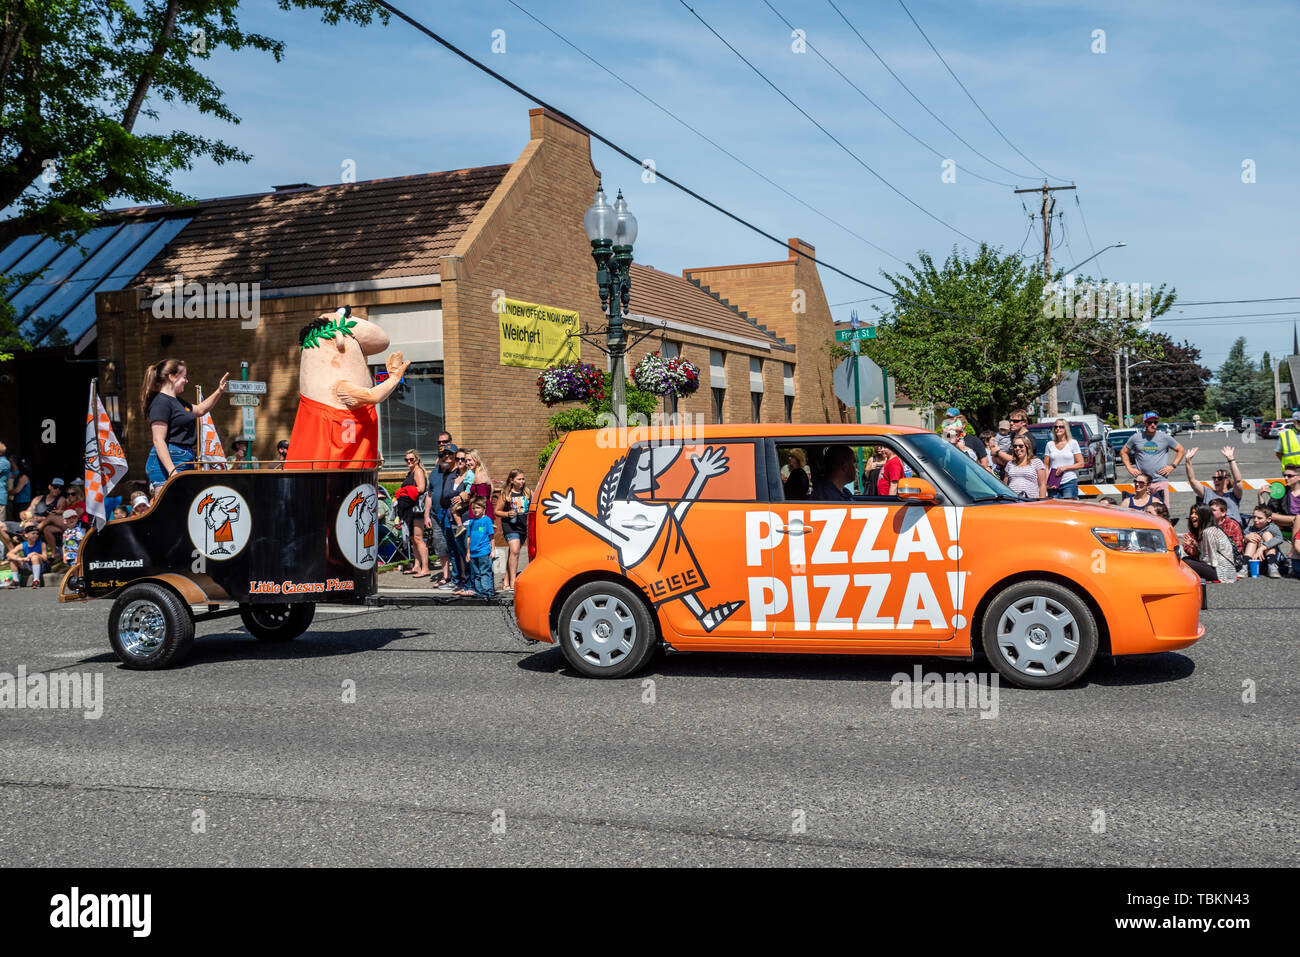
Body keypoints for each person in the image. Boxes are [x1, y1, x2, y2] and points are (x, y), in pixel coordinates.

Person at [141, 358, 230, 486]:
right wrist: (173, 472)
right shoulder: (160, 402)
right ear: (172, 377)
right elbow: (158, 440)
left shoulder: (178, 402)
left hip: (184, 459)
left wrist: (219, 391)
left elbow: (200, 409)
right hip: (169, 462)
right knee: (169, 505)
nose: (186, 381)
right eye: (184, 377)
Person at [1121, 411, 1184, 500]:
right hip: (1142, 483)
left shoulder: (1164, 437)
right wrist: (1129, 468)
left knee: (1161, 511)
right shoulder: (1136, 437)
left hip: (1160, 481)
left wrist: (1172, 466)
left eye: (1155, 422)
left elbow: (1180, 450)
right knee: (1142, 511)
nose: (1153, 425)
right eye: (1150, 422)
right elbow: (1123, 452)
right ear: (1144, 423)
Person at [1184, 446, 1244, 524]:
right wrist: (1188, 460)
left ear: (1227, 480)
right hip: (1211, 527)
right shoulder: (1207, 492)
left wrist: (1231, 459)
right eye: (1214, 478)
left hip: (1231, 528)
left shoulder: (1233, 494)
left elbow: (1238, 481)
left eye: (1219, 478)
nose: (1216, 480)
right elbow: (1192, 480)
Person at [395, 450, 430, 578]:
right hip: (409, 509)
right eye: (407, 460)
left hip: (418, 509)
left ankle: (425, 568)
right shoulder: (410, 472)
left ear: (417, 460)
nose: (409, 462)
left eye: (412, 459)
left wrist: (404, 490)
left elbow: (421, 488)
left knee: (418, 538)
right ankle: (416, 566)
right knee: (413, 538)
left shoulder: (418, 471)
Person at [1180, 504, 1236, 583]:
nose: (1192, 516)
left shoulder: (1208, 532)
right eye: (1191, 513)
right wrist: (1195, 546)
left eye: (1196, 513)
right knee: (1186, 560)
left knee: (1185, 562)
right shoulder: (1206, 531)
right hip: (1218, 568)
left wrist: (1197, 562)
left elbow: (1211, 560)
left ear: (1204, 516)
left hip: (1222, 571)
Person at [498, 469, 531, 591]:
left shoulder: (527, 492)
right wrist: (507, 514)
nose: (522, 481)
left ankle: (506, 581)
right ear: (512, 480)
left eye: (523, 479)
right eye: (519, 479)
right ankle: (513, 582)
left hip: (523, 526)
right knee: (515, 550)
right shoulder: (506, 495)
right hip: (510, 526)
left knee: (513, 554)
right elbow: (497, 511)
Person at [457, 496, 496, 599]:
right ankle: (479, 592)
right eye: (473, 508)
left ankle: (487, 592)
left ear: (484, 508)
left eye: (478, 508)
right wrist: (468, 553)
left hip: (484, 552)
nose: (475, 510)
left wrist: (492, 551)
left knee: (485, 573)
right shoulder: (471, 522)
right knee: (476, 574)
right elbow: (469, 538)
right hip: (473, 553)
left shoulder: (487, 520)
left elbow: (492, 537)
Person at [1040, 418, 1085, 499]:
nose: (1058, 429)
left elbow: (1081, 464)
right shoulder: (1049, 444)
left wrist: (1065, 468)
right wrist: (1047, 482)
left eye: (1061, 427)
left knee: (1069, 507)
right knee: (1055, 509)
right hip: (1053, 483)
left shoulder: (1073, 443)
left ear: (1066, 429)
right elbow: (1046, 465)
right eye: (1056, 427)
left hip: (1069, 481)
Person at [7, 523, 48, 587]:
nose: (35, 535)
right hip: (28, 565)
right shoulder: (23, 544)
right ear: (26, 535)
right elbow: (9, 554)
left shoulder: (42, 544)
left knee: (34, 557)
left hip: (40, 566)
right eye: (33, 533)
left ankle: (36, 581)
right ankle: (15, 581)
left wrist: (35, 554)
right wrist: (21, 559)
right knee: (12, 559)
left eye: (37, 534)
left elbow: (45, 558)